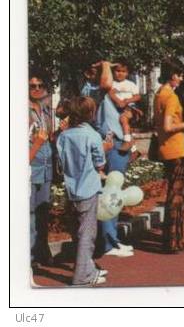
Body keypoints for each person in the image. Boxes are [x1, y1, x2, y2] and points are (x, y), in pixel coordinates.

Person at [56, 97, 109, 286]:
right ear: (90, 114)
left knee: (78, 232)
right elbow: (100, 162)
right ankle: (81, 277)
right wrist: (106, 148)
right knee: (87, 234)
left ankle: (88, 269)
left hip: (72, 189)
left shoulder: (64, 136)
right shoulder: (93, 135)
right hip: (88, 188)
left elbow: (61, 164)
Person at [94, 60, 141, 259]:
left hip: (120, 140)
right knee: (111, 193)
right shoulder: (104, 90)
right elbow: (106, 84)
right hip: (113, 142)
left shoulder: (118, 91)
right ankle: (108, 242)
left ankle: (111, 238)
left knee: (114, 191)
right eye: (114, 72)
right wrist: (106, 65)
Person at [154, 59, 184, 253]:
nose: (181, 79)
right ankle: (176, 240)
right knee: (178, 195)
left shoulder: (159, 94)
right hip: (175, 149)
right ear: (173, 75)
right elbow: (168, 126)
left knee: (175, 193)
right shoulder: (170, 97)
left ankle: (175, 239)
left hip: (167, 148)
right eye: (179, 75)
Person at [29, 71, 56, 267]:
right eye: (32, 86)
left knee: (43, 211)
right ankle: (28, 258)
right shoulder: (21, 112)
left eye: (40, 85)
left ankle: (41, 251)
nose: (37, 89)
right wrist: (38, 143)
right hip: (31, 168)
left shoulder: (46, 110)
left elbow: (48, 138)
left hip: (46, 166)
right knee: (29, 213)